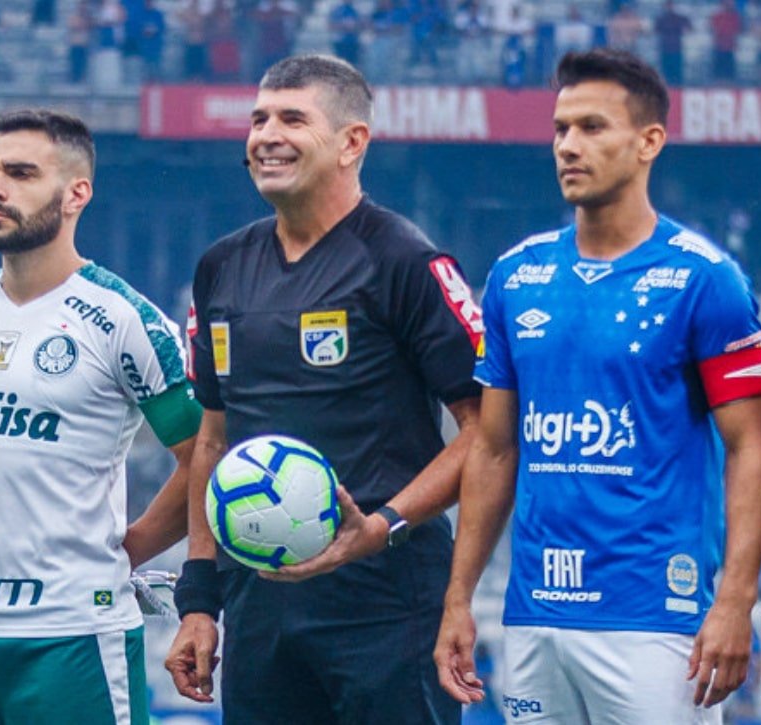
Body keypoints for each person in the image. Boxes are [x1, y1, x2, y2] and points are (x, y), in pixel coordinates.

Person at [434, 49, 761, 723]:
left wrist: (735, 599)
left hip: (655, 614)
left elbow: (750, 448)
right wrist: (458, 597)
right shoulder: (515, 275)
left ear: (649, 141)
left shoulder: (707, 279)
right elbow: (495, 449)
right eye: (561, 129)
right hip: (533, 613)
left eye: (592, 128)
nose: (568, 146)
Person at [164, 54, 482, 724]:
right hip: (261, 602)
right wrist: (199, 600)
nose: (265, 135)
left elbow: (486, 435)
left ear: (351, 142)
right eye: (258, 119)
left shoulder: (405, 261)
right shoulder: (219, 268)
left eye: (291, 118)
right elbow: (213, 441)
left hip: (388, 599)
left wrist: (383, 524)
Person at [0, 108, 200, 725]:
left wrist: (128, 551)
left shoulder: (124, 319)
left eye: (21, 173)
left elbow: (205, 457)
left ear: (77, 193)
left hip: (75, 630)